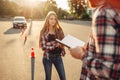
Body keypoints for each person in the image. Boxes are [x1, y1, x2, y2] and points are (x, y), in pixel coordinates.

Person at [69, 0, 120, 80]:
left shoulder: (104, 14)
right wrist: (90, 48)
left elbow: (108, 70)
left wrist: (81, 55)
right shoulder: (115, 9)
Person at [39, 11, 66, 80]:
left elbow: (64, 41)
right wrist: (55, 44)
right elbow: (44, 47)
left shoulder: (59, 30)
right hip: (47, 58)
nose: (53, 21)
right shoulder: (43, 32)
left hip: (58, 57)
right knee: (48, 78)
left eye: (55, 19)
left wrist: (50, 43)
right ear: (47, 19)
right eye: (51, 18)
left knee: (63, 78)